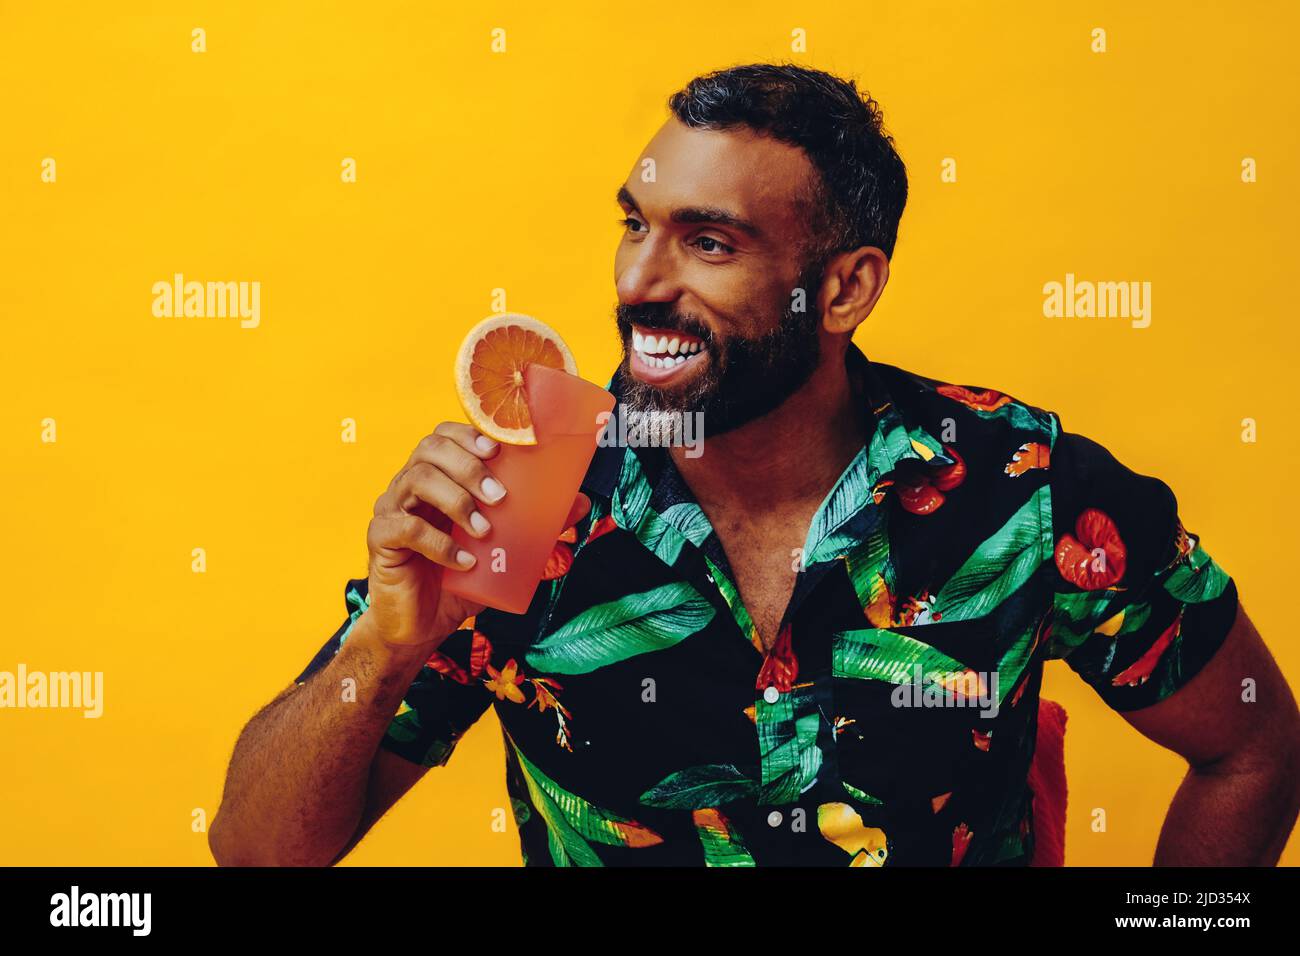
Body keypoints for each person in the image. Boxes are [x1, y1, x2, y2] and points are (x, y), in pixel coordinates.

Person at [209, 63, 1299, 867]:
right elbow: (256, 853)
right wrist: (382, 647)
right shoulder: (526, 498)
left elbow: (1253, 741)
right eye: (634, 225)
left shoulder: (1021, 486)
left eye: (709, 241)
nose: (640, 278)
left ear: (842, 289)